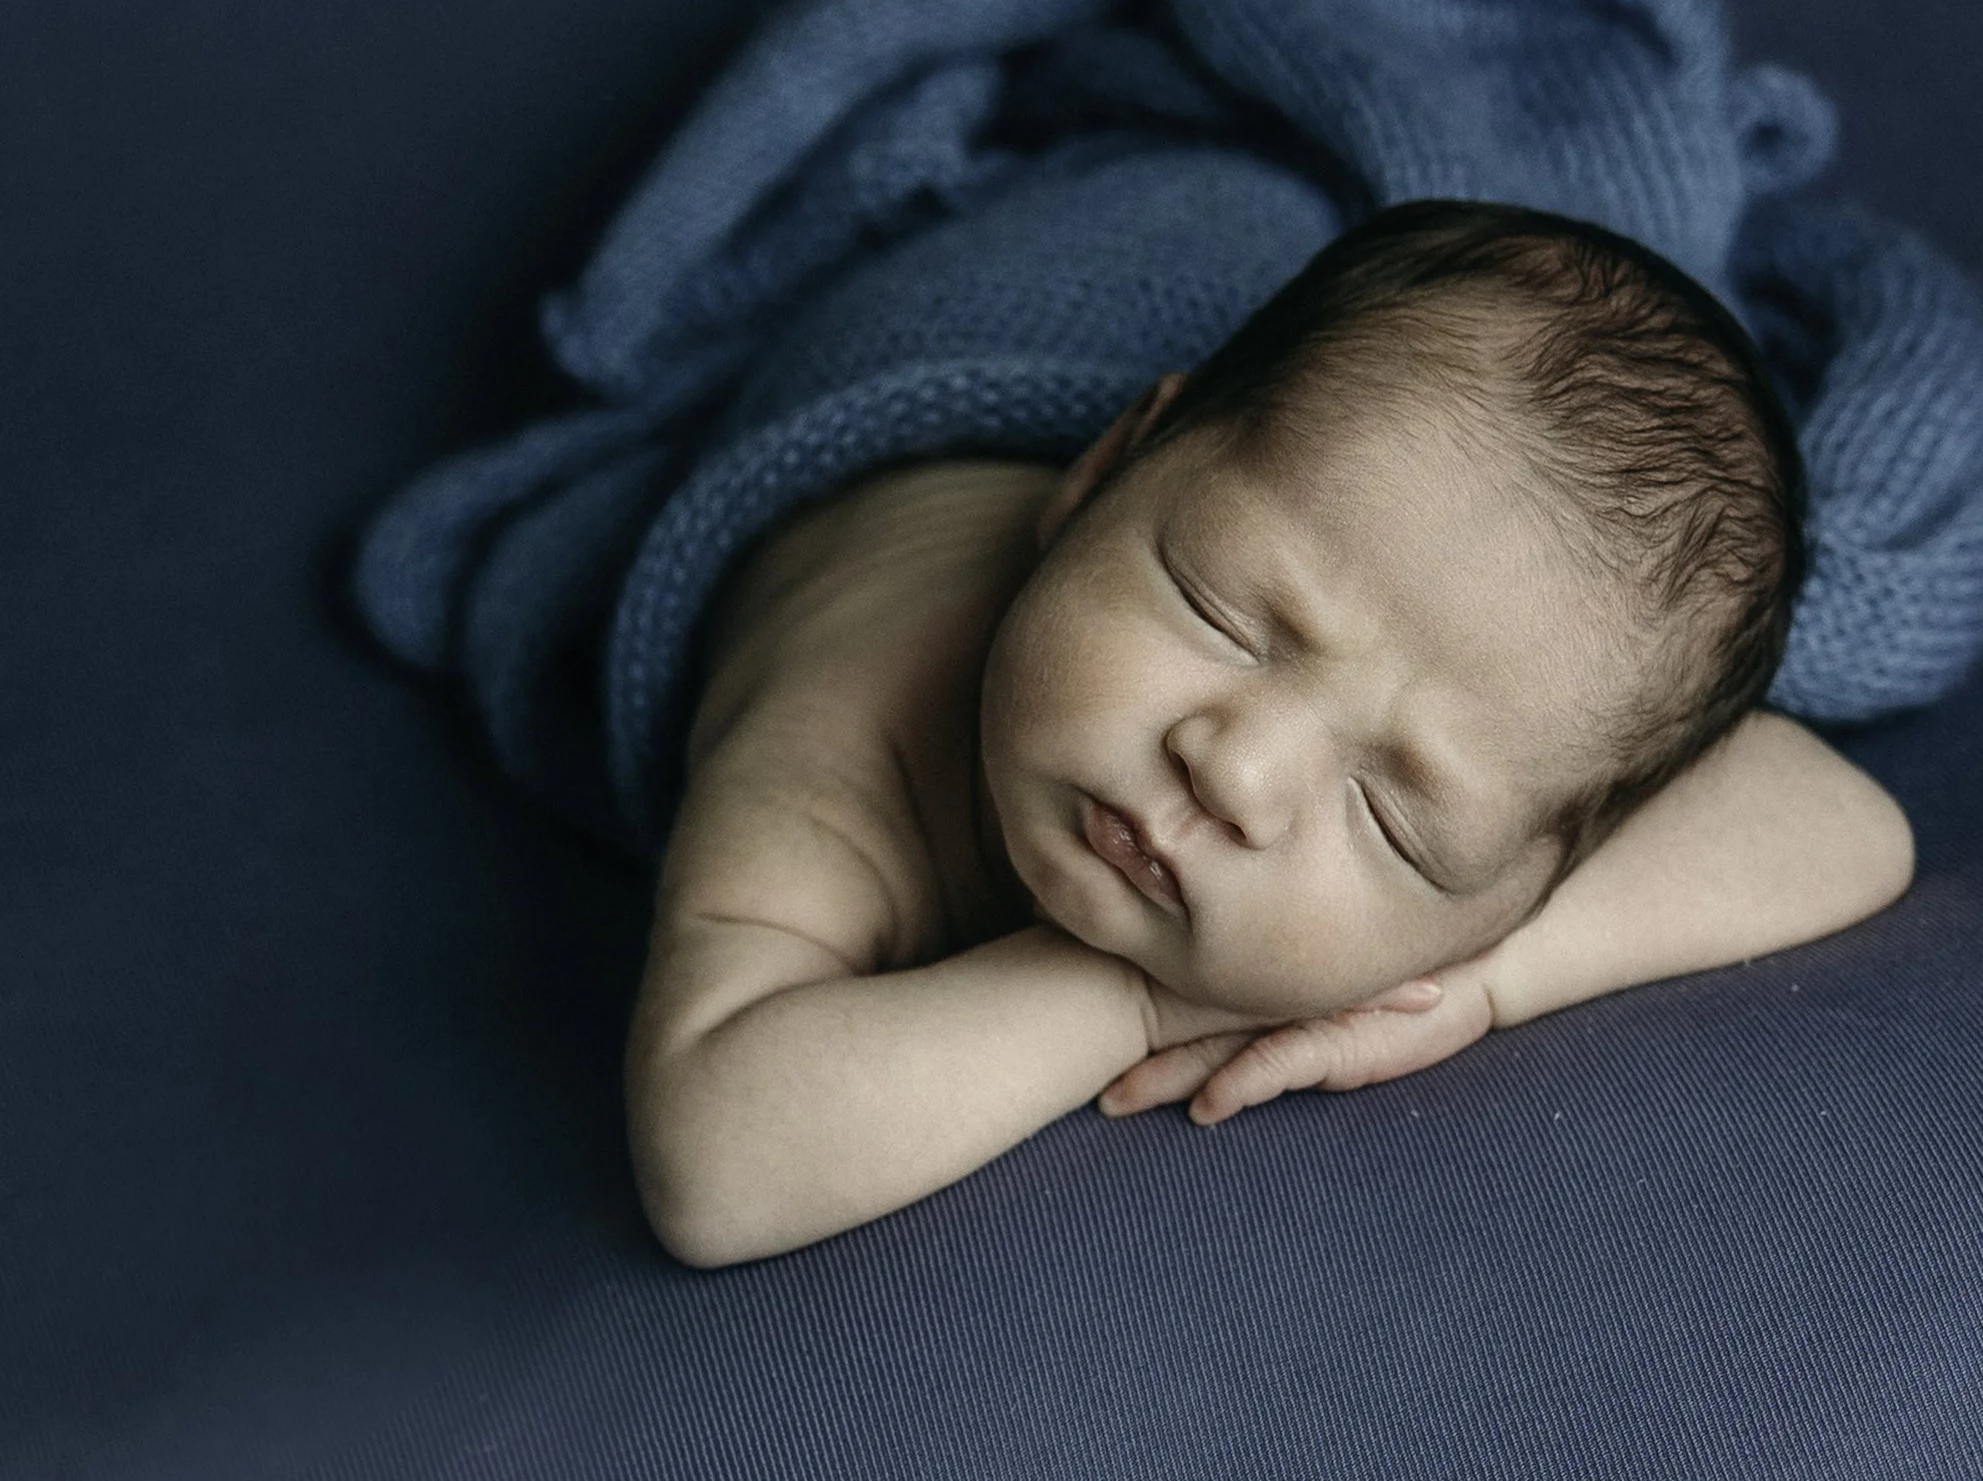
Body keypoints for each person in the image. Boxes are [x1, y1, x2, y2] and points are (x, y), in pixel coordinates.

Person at [624, 198, 1916, 1268]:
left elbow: (1844, 824)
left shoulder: (1492, 772)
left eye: (1394, 818)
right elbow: (717, 1165)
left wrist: (1475, 975)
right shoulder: (845, 747)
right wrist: (1137, 997)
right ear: (1103, 469)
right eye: (1220, 614)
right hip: (1021, 294)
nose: (1235, 768)